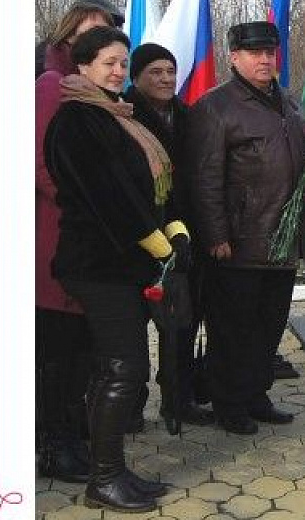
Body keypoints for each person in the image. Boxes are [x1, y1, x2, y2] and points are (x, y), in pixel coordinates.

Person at [44, 26, 188, 512]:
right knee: (123, 367)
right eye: (108, 62)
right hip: (96, 263)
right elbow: (105, 196)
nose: (118, 71)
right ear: (82, 66)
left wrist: (174, 229)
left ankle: (114, 469)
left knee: (119, 366)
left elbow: (149, 188)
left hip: (123, 264)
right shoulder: (76, 119)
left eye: (123, 62)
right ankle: (103, 479)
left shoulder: (120, 117)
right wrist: (153, 240)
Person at [185, 21, 305, 435]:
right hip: (239, 241)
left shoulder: (291, 102)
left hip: (283, 239)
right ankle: (228, 403)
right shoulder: (215, 107)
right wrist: (215, 236)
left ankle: (255, 394)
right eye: (255, 53)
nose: (265, 60)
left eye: (270, 52)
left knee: (268, 327)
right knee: (233, 330)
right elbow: (203, 179)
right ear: (234, 57)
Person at [35, 0, 125, 483]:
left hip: (93, 241)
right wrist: (89, 205)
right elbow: (42, 164)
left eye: (106, 29)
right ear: (69, 34)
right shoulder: (53, 87)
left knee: (82, 352)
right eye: (88, 29)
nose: (96, 34)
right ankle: (53, 443)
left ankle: (73, 434)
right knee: (59, 352)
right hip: (57, 235)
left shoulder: (98, 93)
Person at [121, 42, 216, 431]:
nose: (165, 79)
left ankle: (178, 399)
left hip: (182, 234)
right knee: (130, 330)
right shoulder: (125, 115)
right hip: (135, 235)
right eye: (155, 72)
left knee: (181, 322)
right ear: (136, 77)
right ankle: (128, 406)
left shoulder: (187, 115)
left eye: (170, 72)